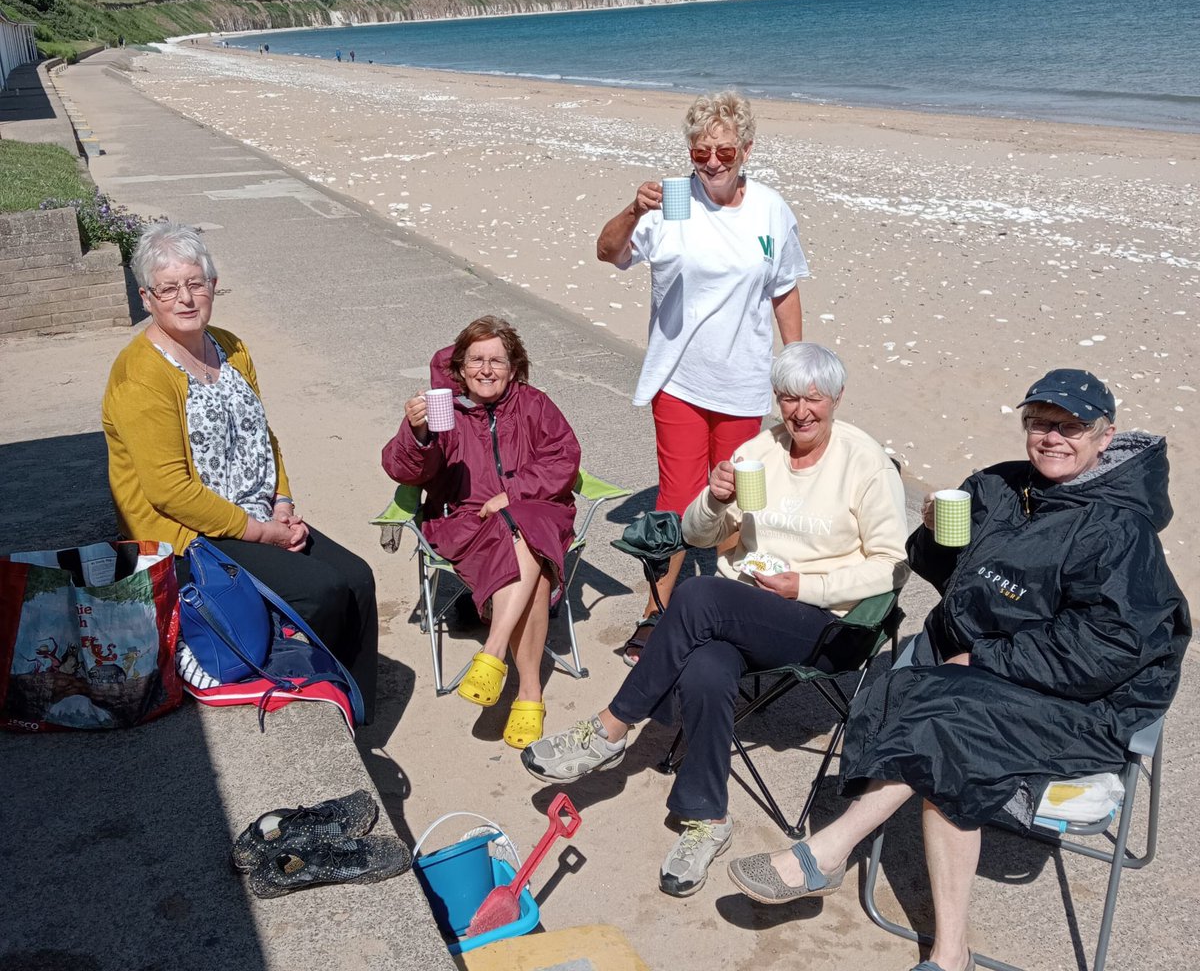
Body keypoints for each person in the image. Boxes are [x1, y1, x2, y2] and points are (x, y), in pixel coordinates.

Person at [726, 368, 1190, 971]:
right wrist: (937, 536)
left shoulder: (1119, 529)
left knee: (946, 731)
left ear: (1106, 438)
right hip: (986, 675)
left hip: (1088, 699)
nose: (1051, 437)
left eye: (1071, 427)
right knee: (921, 703)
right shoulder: (1001, 487)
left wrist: (989, 656)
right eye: (1040, 423)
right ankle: (949, 953)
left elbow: (1111, 646)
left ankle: (831, 853)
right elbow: (955, 578)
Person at [522, 343, 909, 896]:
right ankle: (707, 818)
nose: (800, 411)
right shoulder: (762, 451)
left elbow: (891, 565)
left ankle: (610, 728)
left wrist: (808, 585)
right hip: (749, 608)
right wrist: (713, 497)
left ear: (837, 398)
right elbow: (699, 535)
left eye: (813, 398)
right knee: (705, 667)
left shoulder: (863, 461)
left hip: (825, 624)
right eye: (787, 397)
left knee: (700, 594)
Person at [102, 222, 379, 721]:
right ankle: (300, 685)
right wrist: (263, 533)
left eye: (196, 283)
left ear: (212, 285)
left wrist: (283, 504)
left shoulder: (230, 346)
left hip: (258, 511)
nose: (185, 298)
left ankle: (354, 709)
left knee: (357, 578)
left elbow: (262, 435)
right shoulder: (141, 375)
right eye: (169, 288)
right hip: (193, 533)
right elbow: (169, 492)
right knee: (320, 590)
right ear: (147, 297)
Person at [596, 90, 808, 665]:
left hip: (741, 380)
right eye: (700, 151)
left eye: (724, 149)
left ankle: (739, 609)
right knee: (677, 498)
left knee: (738, 499)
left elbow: (784, 287)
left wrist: (797, 363)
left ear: (746, 148)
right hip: (679, 379)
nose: (712, 161)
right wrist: (633, 210)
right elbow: (608, 252)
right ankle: (657, 613)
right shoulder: (670, 201)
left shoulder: (769, 208)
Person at [381, 316, 581, 749]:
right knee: (538, 571)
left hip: (538, 512)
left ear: (514, 367)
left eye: (497, 360)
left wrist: (513, 494)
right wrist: (416, 433)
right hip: (466, 523)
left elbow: (565, 457)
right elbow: (403, 470)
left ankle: (492, 651)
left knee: (524, 525)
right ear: (460, 366)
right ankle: (529, 694)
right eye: (476, 359)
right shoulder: (443, 412)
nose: (486, 369)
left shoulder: (534, 404)